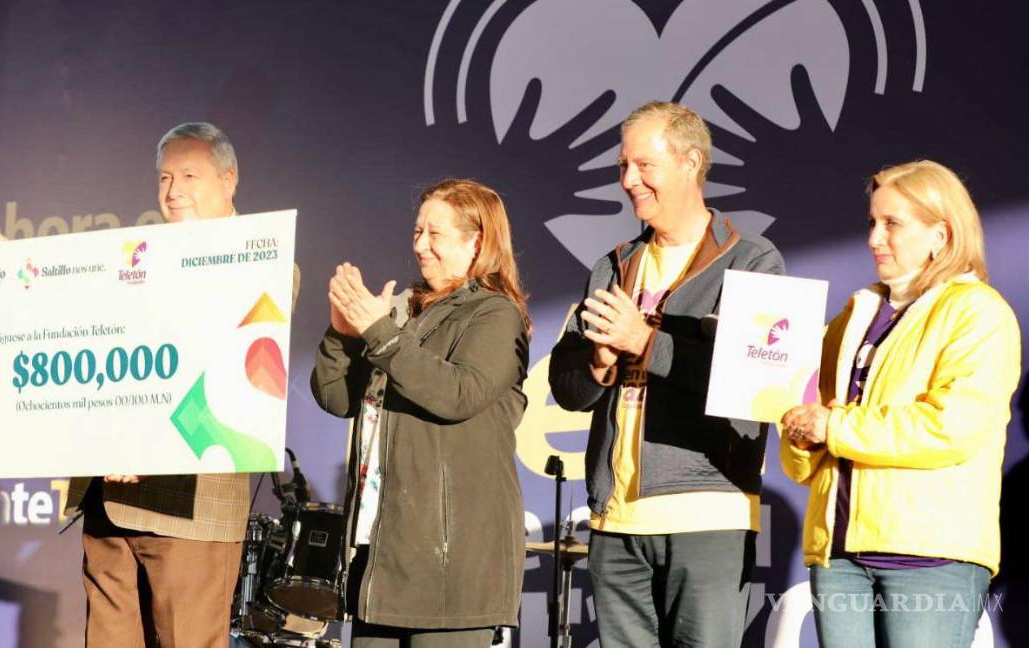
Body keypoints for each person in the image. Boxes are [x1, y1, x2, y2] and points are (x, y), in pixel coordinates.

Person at [0, 121, 275, 647]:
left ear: (229, 179)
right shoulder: (132, 257)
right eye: (164, 178)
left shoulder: (262, 259)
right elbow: (68, 328)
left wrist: (147, 442)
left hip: (188, 508)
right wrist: (6, 265)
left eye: (189, 176)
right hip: (108, 500)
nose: (173, 191)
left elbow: (231, 369)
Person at [548, 101, 785, 647]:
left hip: (706, 511)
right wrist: (599, 362)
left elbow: (758, 383)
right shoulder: (612, 265)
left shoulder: (752, 260)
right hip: (615, 521)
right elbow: (568, 389)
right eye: (622, 166)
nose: (628, 180)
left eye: (644, 165)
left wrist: (643, 341)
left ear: (690, 162)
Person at [780, 160, 1020, 647]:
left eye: (892, 223)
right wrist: (802, 435)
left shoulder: (979, 313)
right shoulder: (852, 318)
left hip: (930, 557)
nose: (875, 238)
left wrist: (833, 427)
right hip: (839, 557)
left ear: (940, 235)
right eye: (872, 222)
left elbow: (951, 427)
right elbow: (812, 436)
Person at [311, 178, 529, 647]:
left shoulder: (495, 315)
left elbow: (458, 393)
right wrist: (342, 334)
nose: (420, 246)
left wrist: (379, 332)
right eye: (417, 232)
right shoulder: (403, 314)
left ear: (476, 243)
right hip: (382, 555)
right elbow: (336, 399)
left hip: (452, 565)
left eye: (435, 234)